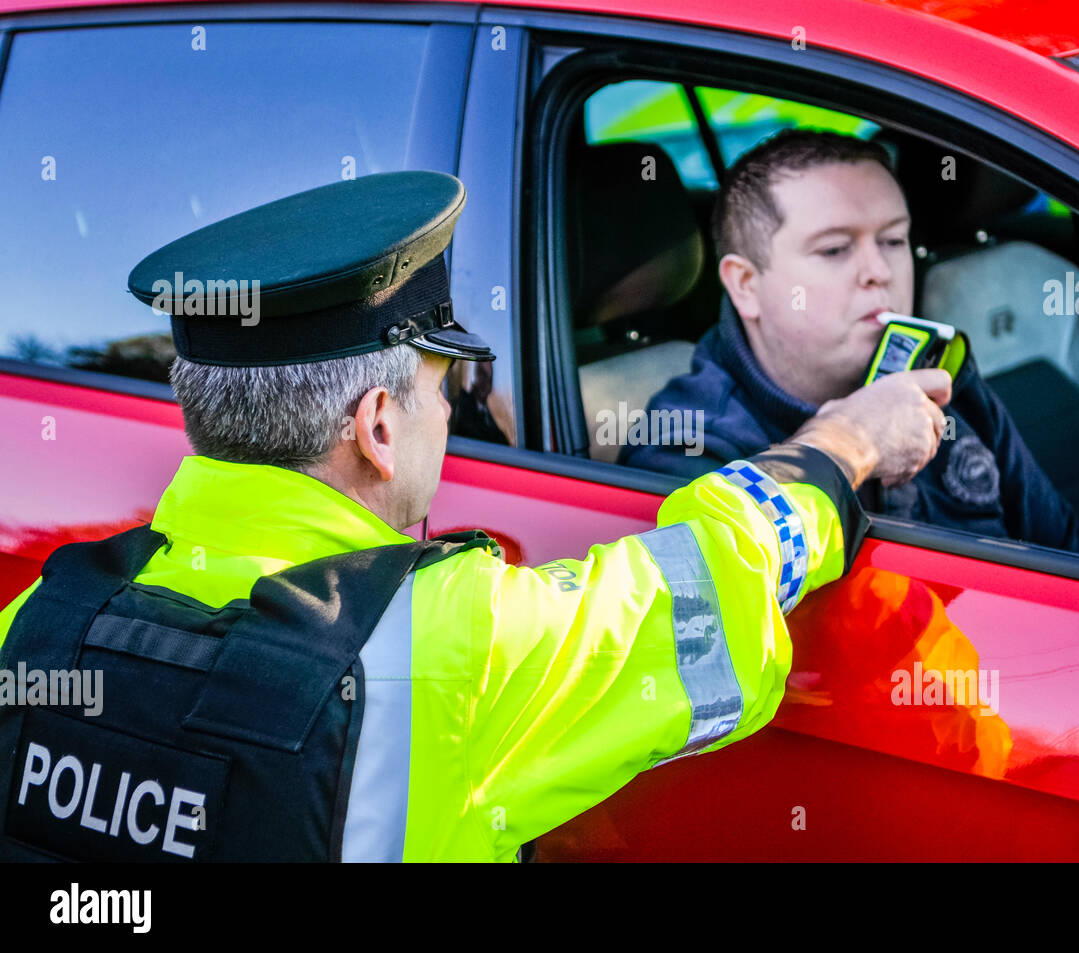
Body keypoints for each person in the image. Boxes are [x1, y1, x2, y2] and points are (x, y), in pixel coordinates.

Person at [0, 171, 942, 863]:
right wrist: (844, 445)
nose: (456, 418)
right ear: (377, 427)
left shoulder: (37, 624)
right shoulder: (444, 646)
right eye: (446, 388)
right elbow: (715, 586)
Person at [622, 129, 1079, 554]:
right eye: (834, 250)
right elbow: (710, 587)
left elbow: (1070, 558)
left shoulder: (945, 378)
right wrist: (851, 445)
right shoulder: (687, 444)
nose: (879, 272)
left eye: (892, 241)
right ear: (746, 285)